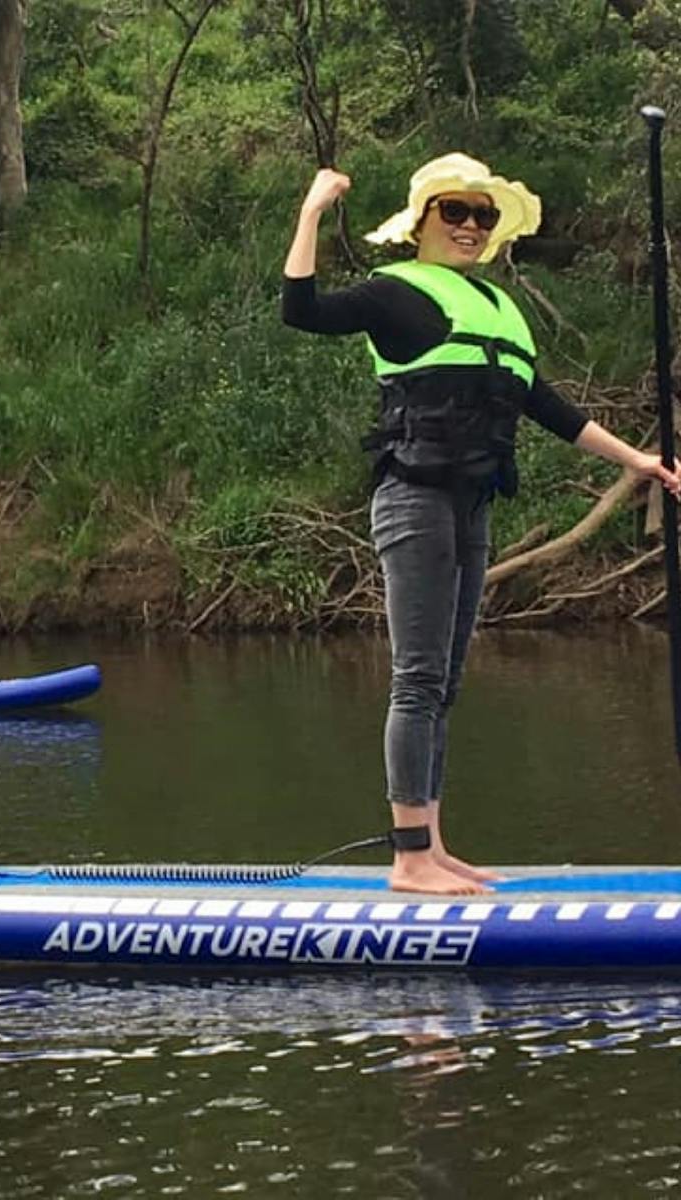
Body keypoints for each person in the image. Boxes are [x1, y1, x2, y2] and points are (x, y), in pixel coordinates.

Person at [282, 153, 681, 895]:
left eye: (483, 216)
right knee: (418, 677)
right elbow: (301, 310)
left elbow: (551, 408)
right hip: (412, 498)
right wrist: (312, 210)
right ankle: (408, 860)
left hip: (472, 503)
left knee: (448, 682)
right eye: (455, 212)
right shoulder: (392, 295)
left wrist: (642, 460)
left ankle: (432, 845)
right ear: (422, 222)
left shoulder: (496, 309)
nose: (471, 227)